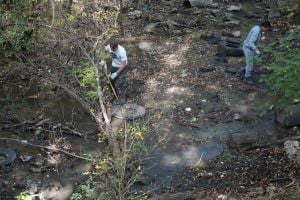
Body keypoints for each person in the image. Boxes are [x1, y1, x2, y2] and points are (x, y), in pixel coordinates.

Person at [104, 41, 128, 105]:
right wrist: (103, 60)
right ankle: (114, 94)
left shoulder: (122, 51)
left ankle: (123, 98)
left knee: (121, 83)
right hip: (114, 66)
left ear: (117, 47)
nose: (113, 51)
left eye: (114, 49)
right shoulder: (109, 47)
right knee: (109, 81)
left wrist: (116, 73)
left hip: (122, 67)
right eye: (112, 49)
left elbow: (124, 64)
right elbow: (103, 50)